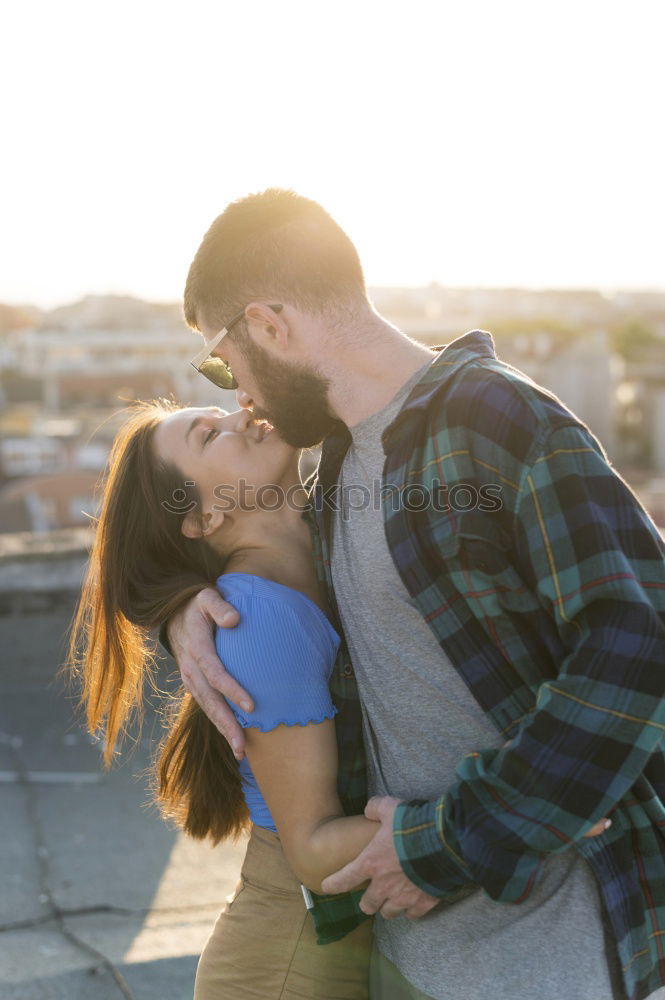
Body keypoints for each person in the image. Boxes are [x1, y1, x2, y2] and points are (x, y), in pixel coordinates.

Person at [168, 188, 665, 1000]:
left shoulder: (498, 416)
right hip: (408, 953)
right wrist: (180, 612)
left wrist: (449, 844)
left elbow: (636, 648)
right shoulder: (328, 460)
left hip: (554, 959)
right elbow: (247, 569)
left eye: (223, 361)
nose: (238, 394)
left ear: (268, 324)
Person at [66, 399, 380, 999]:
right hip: (285, 965)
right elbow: (313, 851)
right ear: (203, 517)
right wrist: (508, 811)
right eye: (210, 436)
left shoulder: (330, 532)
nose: (243, 413)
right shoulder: (257, 618)